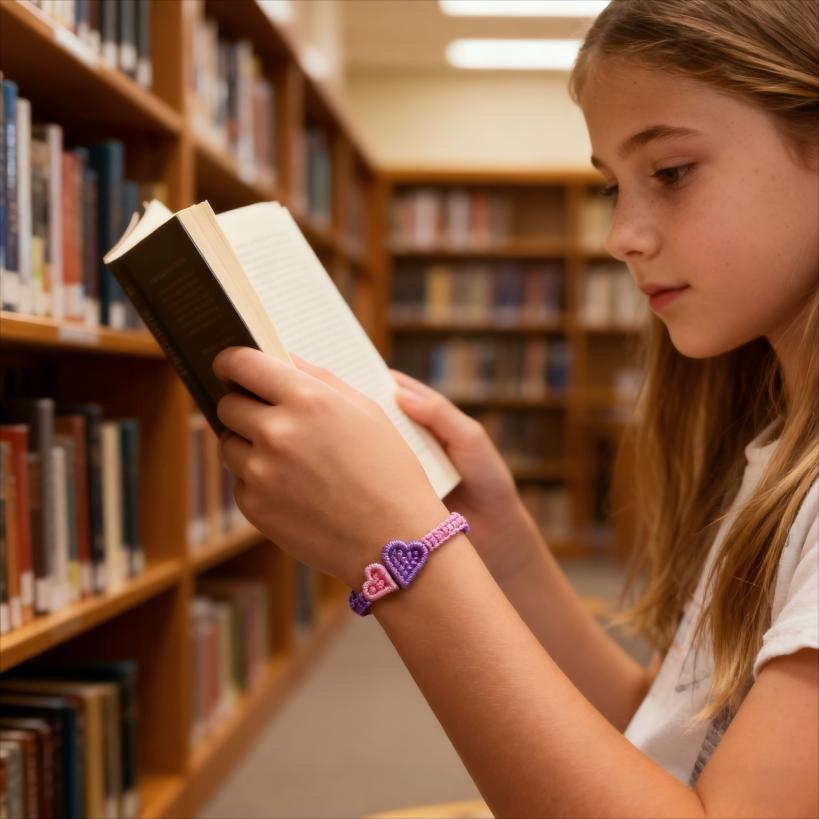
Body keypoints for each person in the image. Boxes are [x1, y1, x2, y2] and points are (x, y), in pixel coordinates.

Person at [212, 0, 818, 814]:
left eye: (670, 172)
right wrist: (503, 547)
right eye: (611, 186)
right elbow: (660, 740)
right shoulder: (772, 452)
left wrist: (404, 550)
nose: (619, 235)